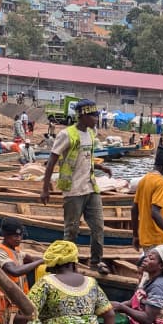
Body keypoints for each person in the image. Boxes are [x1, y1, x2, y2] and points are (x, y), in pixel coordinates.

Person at [42, 99, 112, 275]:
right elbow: (52, 161)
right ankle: (68, 263)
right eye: (92, 115)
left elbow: (84, 159)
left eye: (96, 115)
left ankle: (96, 262)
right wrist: (45, 188)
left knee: (98, 227)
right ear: (82, 116)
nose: (96, 119)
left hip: (90, 187)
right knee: (71, 229)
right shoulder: (67, 134)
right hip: (73, 190)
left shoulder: (90, 134)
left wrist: (100, 167)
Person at [19, 240, 115, 324]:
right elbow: (110, 315)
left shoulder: (46, 282)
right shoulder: (91, 282)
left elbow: (24, 314)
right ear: (74, 263)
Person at [131, 146, 163, 253]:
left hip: (145, 237)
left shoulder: (144, 180)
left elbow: (134, 209)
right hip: (157, 238)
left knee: (152, 267)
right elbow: (155, 212)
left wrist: (135, 235)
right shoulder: (161, 183)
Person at [0, 218, 44, 292]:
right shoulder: (0, 252)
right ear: (5, 235)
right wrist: (40, 262)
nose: (19, 239)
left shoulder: (16, 251)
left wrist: (47, 259)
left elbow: (32, 259)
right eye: (15, 236)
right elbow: (15, 271)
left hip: (19, 296)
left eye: (20, 235)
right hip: (7, 297)